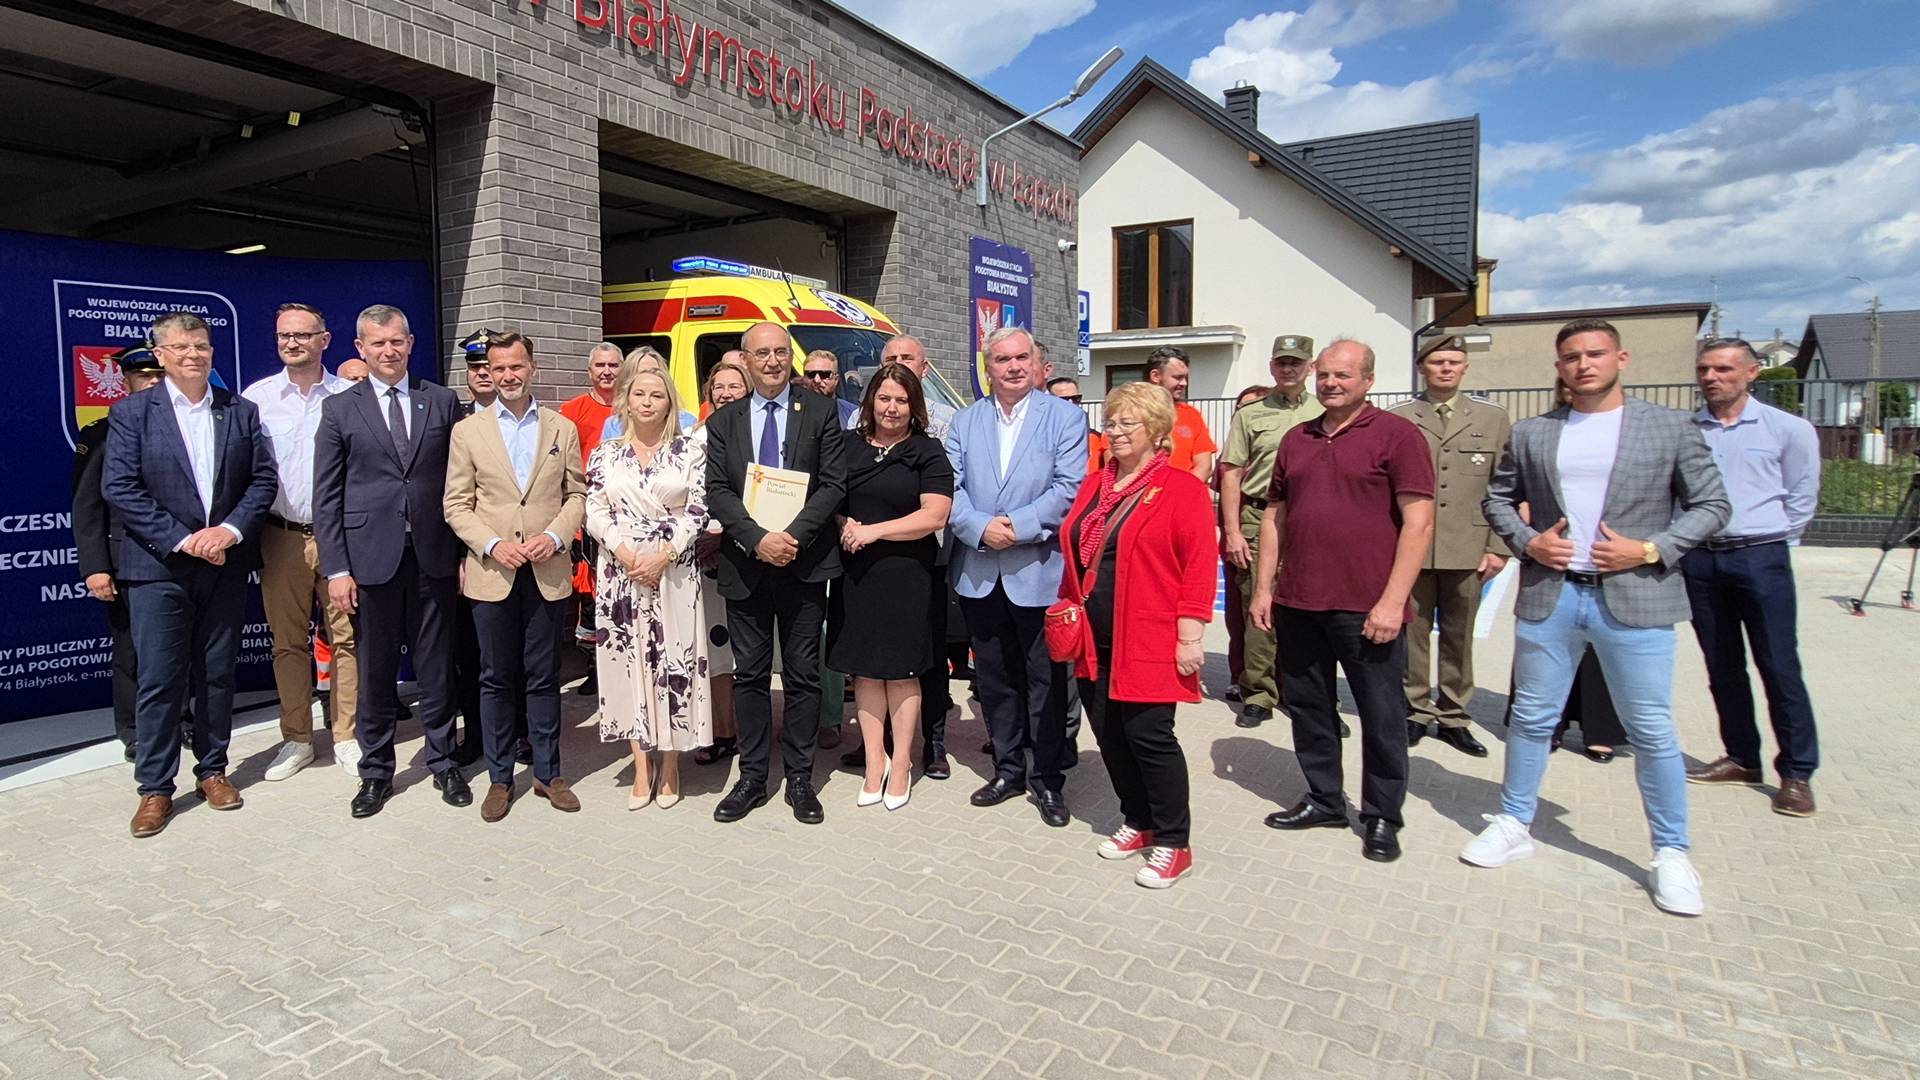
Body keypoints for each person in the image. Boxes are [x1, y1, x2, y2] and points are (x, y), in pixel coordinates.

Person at [1464, 318, 1730, 918]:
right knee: (1531, 718)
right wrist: (1529, 542)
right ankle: (1514, 822)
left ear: (1621, 359)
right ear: (1559, 366)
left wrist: (1652, 548)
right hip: (1553, 595)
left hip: (1635, 596)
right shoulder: (1534, 432)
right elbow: (1497, 499)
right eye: (1571, 357)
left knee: (1651, 729)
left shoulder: (1669, 427)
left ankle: (1671, 852)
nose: (1583, 364)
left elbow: (1713, 504)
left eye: (1595, 353)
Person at [1251, 339, 1434, 864]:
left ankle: (1382, 815)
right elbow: (1275, 516)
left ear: (1368, 380)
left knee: (1381, 716)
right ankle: (1325, 799)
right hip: (1300, 601)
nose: (1331, 383)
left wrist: (1392, 602)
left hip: (1367, 607)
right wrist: (1264, 588)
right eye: (1325, 374)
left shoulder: (1398, 436)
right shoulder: (1297, 439)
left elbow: (1419, 524)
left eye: (1344, 375)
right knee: (1310, 709)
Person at [103, 311, 278, 838]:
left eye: (200, 346)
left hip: (224, 563)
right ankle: (155, 787)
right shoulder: (133, 413)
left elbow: (262, 481)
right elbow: (120, 487)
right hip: (159, 568)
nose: (192, 355)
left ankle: (213, 771)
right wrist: (185, 540)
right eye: (180, 347)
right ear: (160, 355)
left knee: (216, 674)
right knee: (160, 679)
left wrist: (227, 532)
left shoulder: (239, 410)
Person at [1059, 382, 1215, 888]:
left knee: (1149, 736)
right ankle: (1139, 819)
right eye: (1112, 421)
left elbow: (1199, 565)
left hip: (1148, 634)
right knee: (1108, 732)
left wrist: (1190, 635)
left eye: (1129, 422)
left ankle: (1174, 841)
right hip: (1093, 634)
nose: (1117, 431)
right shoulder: (1094, 484)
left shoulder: (1182, 489)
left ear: (1158, 429)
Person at [314, 305, 465, 818]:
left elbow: (461, 482)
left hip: (434, 556)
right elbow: (326, 496)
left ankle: (443, 761)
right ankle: (376, 772)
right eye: (377, 343)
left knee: (437, 668)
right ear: (360, 348)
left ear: (410, 342)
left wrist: (463, 554)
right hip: (369, 561)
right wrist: (337, 569)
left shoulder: (441, 401)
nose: (388, 351)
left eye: (397, 341)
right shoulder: (339, 409)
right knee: (376, 674)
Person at [705, 321, 849, 824]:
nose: (772, 361)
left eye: (781, 352)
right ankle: (752, 778)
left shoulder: (820, 411)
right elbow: (717, 489)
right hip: (747, 564)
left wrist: (792, 537)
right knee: (749, 676)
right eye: (762, 353)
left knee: (803, 675)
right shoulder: (725, 420)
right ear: (744, 360)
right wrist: (757, 539)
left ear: (791, 357)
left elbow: (833, 484)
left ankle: (801, 779)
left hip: (803, 562)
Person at [947, 327, 1087, 827]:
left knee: (1046, 682)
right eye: (1002, 359)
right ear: (987, 367)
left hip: (1040, 572)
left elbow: (1070, 488)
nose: (1013, 367)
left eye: (1022, 357)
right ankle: (1008, 770)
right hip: (981, 570)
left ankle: (1048, 779)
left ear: (1037, 363)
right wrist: (981, 528)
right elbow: (949, 488)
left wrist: (1017, 526)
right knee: (995, 680)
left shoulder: (1065, 418)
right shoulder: (965, 421)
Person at [445, 331, 587, 821]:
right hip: (493, 570)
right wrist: (491, 544)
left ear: (532, 368)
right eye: (499, 368)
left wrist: (556, 536)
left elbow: (577, 494)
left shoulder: (561, 428)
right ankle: (500, 778)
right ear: (488, 372)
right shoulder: (469, 431)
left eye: (516, 366)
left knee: (544, 676)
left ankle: (548, 773)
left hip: (546, 568)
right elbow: (456, 504)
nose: (508, 376)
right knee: (495, 678)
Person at [1681, 338, 1823, 817]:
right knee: (1722, 665)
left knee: (1779, 666)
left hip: (1761, 556)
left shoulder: (1788, 429)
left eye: (1723, 369)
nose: (1711, 377)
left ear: (1751, 372)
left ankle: (1797, 773)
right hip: (1701, 560)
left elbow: (1802, 493)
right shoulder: (1687, 430)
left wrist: (1776, 540)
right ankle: (1742, 757)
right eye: (1704, 369)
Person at [829, 364, 954, 810]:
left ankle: (901, 763)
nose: (892, 408)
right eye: (884, 398)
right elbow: (832, 499)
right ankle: (874, 761)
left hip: (907, 576)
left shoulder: (928, 451)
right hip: (858, 576)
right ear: (870, 402)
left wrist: (873, 531)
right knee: (865, 672)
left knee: (902, 672)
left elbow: (934, 515)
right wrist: (845, 524)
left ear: (914, 405)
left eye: (902, 400)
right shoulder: (848, 445)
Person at [587, 364, 712, 809]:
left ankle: (672, 764)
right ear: (626, 400)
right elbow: (594, 509)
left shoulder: (690, 451)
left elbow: (698, 510)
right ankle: (641, 765)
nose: (647, 402)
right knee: (629, 665)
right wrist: (625, 554)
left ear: (669, 403)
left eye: (656, 395)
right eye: (639, 394)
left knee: (673, 663)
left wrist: (664, 555)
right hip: (621, 571)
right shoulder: (605, 453)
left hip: (673, 570)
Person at [245, 303, 361, 782]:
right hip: (282, 538)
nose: (291, 343)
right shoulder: (257, 399)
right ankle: (297, 739)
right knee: (288, 644)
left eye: (302, 335)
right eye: (283, 335)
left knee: (347, 639)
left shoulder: (350, 396)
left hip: (340, 539)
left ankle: (346, 735)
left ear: (324, 340)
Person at [1390, 332, 1512, 759]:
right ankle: (1416, 710)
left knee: (1459, 636)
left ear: (1465, 368)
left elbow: (1505, 486)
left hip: (1468, 545)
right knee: (1413, 634)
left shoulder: (1492, 418)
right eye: (1437, 362)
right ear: (1422, 368)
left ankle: (1455, 716)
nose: (1446, 368)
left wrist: (1498, 546)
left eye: (1454, 362)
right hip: (1414, 547)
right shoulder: (1400, 417)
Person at [1219, 335, 1323, 726]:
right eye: (1282, 362)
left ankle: (1301, 691)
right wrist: (1233, 531)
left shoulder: (1324, 411)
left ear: (1310, 367)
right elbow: (1231, 473)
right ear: (1272, 367)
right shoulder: (1251, 414)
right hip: (1258, 516)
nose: (1288, 368)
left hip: (1311, 520)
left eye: (1296, 362)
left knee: (1308, 609)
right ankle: (1259, 693)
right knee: (1257, 605)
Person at [72, 345, 168, 762]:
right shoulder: (102, 433)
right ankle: (134, 730)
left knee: (178, 646)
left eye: (158, 375)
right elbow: (87, 506)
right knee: (131, 649)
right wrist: (96, 567)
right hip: (124, 558)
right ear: (126, 381)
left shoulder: (183, 426)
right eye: (143, 376)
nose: (152, 382)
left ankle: (180, 719)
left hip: (176, 556)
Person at [689, 360, 746, 768]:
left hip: (747, 553)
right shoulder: (694, 438)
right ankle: (721, 731)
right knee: (715, 648)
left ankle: (753, 730)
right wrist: (701, 537)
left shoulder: (759, 434)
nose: (725, 393)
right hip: (706, 561)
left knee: (751, 652)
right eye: (718, 387)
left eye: (734, 387)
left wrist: (726, 534)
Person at [559, 342, 625, 695]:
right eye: (600, 365)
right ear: (589, 371)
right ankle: (594, 667)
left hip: (627, 516)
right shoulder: (572, 411)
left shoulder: (634, 406)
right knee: (590, 594)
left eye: (613, 365)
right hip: (587, 516)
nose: (607, 371)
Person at [1217, 385, 1269, 699]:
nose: (1246, 413)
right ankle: (1241, 675)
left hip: (1272, 529)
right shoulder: (1232, 450)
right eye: (1241, 407)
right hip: (1239, 536)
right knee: (1239, 612)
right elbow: (1222, 481)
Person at [1143, 346, 1218, 482]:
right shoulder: (1130, 412)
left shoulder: (1191, 415)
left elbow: (1204, 466)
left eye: (1185, 378)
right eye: (1178, 377)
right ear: (1155, 376)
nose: (1184, 383)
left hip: (1184, 491)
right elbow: (1114, 462)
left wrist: (1181, 491)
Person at [1048, 376, 1105, 475]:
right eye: (1064, 399)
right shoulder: (1040, 437)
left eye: (1075, 398)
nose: (1071, 403)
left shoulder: (1095, 437)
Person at [802, 349, 861, 429]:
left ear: (836, 379)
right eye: (810, 374)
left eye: (824, 374)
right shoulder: (790, 411)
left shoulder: (853, 415)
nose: (817, 380)